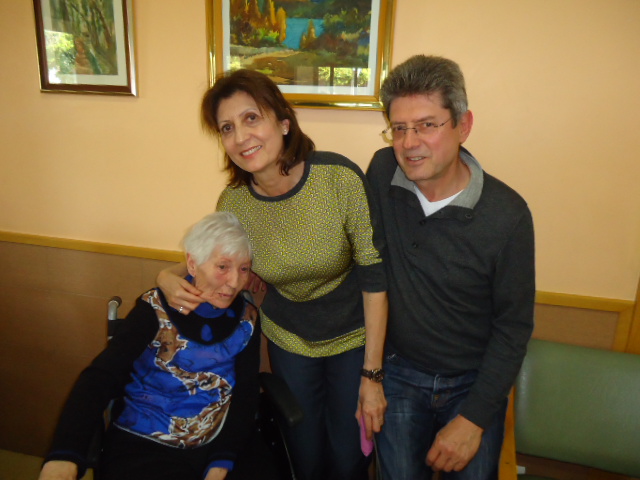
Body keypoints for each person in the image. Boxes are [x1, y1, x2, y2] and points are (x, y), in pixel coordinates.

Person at [157, 69, 388, 480]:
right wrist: (167, 274)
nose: (241, 137)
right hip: (289, 337)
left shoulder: (338, 178)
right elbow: (213, 260)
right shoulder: (235, 203)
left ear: (283, 122)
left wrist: (372, 375)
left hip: (354, 336)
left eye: (251, 118)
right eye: (227, 128)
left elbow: (374, 276)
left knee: (349, 456)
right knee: (303, 455)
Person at [367, 55, 535, 480]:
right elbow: (362, 262)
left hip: (473, 382)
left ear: (463, 125)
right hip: (400, 371)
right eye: (399, 128)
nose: (409, 143)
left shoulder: (507, 215)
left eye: (427, 125)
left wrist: (474, 418)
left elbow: (513, 327)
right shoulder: (383, 173)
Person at [39, 212, 260, 480]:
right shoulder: (153, 308)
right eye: (223, 267)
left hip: (217, 437)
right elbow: (101, 376)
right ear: (192, 264)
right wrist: (65, 453)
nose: (234, 282)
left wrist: (221, 461)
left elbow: (246, 393)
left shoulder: (247, 318)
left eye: (244, 269)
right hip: (145, 438)